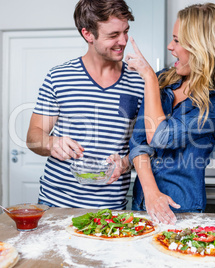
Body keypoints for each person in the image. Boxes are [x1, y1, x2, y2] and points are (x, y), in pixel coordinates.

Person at [126, 3, 215, 224]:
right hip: (143, 202)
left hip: (182, 209)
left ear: (202, 46)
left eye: (178, 40)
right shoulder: (163, 80)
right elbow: (139, 142)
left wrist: (149, 79)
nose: (170, 46)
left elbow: (159, 137)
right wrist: (151, 194)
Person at [26, 0, 144, 209]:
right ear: (88, 34)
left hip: (110, 209)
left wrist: (125, 163)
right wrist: (52, 143)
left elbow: (146, 144)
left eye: (126, 31)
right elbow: (33, 137)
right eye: (113, 35)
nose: (123, 41)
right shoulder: (58, 76)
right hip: (56, 205)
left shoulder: (139, 82)